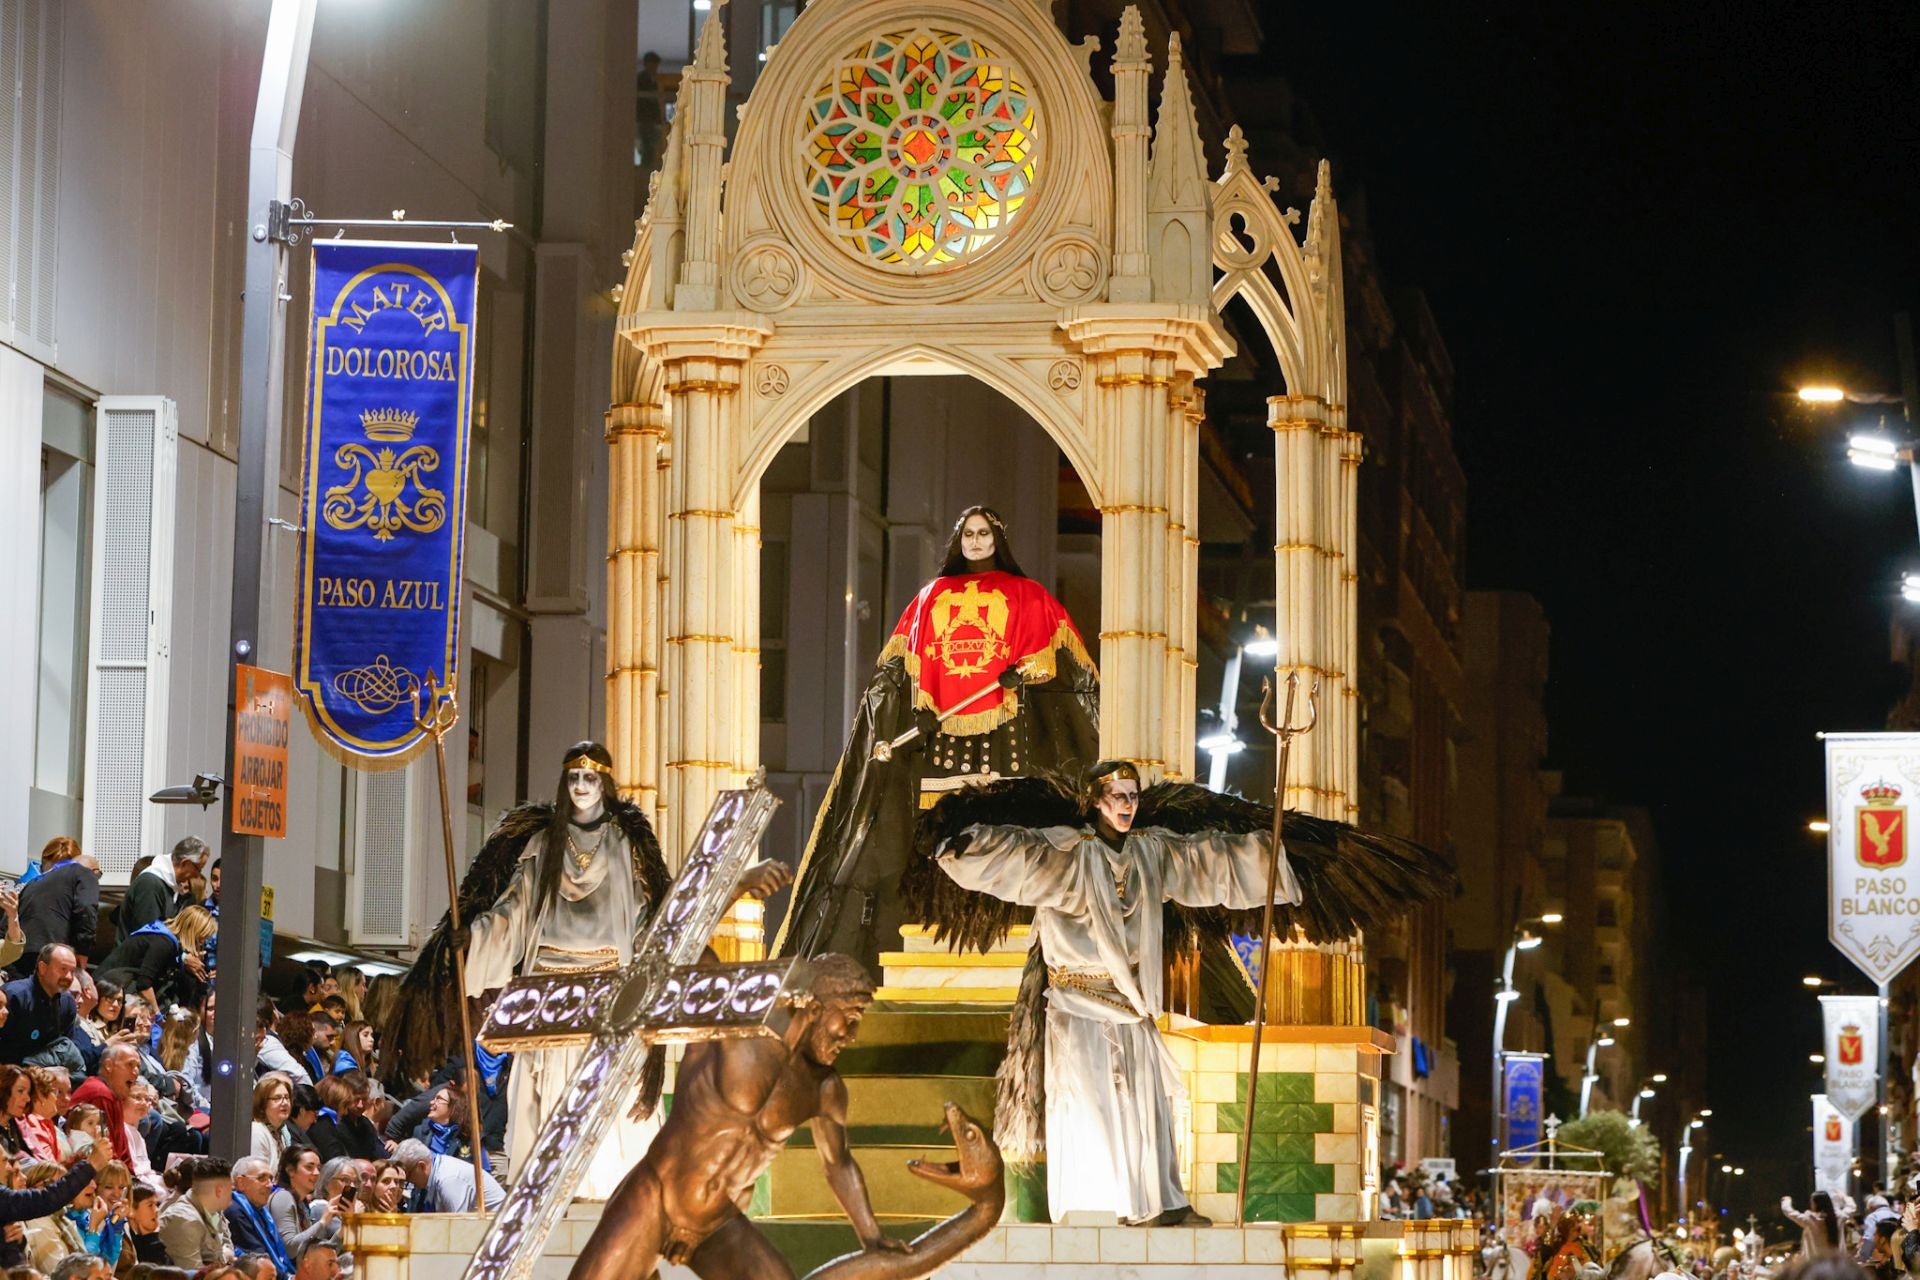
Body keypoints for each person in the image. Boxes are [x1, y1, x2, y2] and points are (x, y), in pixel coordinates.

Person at [387, 741, 786, 1198]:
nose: (581, 786)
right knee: (548, 1104)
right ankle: (551, 1193)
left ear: (606, 784)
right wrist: (472, 938)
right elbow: (514, 915)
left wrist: (731, 888)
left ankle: (609, 1198)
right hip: (549, 993)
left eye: (590, 777)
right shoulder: (543, 843)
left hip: (609, 991)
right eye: (574, 777)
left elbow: (655, 918)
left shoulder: (626, 843)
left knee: (606, 1111)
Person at [932, 759, 1310, 1227]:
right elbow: (1018, 857)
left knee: (1148, 1112)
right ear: (1095, 803)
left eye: (1132, 796)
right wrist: (970, 848)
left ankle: (1160, 1204)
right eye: (1117, 797)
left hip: (1132, 1007)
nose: (1127, 805)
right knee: (1094, 1110)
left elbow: (1207, 859)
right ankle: (1105, 1209)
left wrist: (1268, 852)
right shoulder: (1067, 854)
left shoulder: (1151, 854)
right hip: (1079, 1007)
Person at [778, 506, 1099, 970]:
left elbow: (1052, 662)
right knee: (942, 833)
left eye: (983, 533)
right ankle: (940, 924)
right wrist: (915, 712)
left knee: (1006, 826)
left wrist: (1022, 674)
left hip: (1006, 735)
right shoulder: (930, 598)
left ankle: (1003, 922)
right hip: (942, 739)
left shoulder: (1028, 596)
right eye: (968, 533)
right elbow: (898, 671)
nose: (974, 541)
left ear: (997, 539)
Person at [566, 954, 1003, 1280]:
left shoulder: (825, 1089)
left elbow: (838, 1164)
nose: (850, 1037)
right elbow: (692, 952)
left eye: (858, 1023)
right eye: (847, 1020)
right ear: (815, 1007)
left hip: (717, 1221)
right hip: (656, 1198)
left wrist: (870, 1234)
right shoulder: (740, 1033)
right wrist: (737, 887)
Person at [0, 1141, 108, 1270]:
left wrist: (16, 1242)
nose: (9, 1168)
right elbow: (45, 1198)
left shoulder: (64, 1219)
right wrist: (90, 1166)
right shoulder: (39, 1221)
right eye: (3, 1161)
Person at [96, 909, 216, 1013]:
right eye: (202, 938)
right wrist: (157, 1015)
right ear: (193, 932)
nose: (202, 943)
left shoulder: (162, 936)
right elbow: (144, 983)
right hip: (106, 990)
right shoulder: (164, 943)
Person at [12, 845, 96, 981]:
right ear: (95, 871)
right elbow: (86, 909)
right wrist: (82, 952)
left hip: (18, 955)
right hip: (53, 953)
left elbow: (7, 922)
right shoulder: (84, 872)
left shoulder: (32, 883)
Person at [0, 948, 81, 1073]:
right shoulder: (14, 995)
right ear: (42, 968)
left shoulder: (68, 1002)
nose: (69, 977)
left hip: (48, 1076)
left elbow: (68, 1046)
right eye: (63, 969)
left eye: (72, 971)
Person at [120, 841, 208, 939]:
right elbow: (148, 939)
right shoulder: (149, 884)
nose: (197, 875)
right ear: (185, 863)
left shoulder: (171, 887)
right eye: (198, 869)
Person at [68, 1046, 139, 1165]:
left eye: (138, 1066)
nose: (136, 1072)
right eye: (130, 1065)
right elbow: (108, 1152)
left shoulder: (113, 1095)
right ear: (109, 1065)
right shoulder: (100, 1093)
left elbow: (123, 1151)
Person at [389, 1140, 502, 1214]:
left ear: (421, 1166)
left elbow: (456, 1227)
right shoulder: (439, 1171)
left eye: (408, 1175)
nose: (410, 1181)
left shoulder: (448, 1180)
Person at [222, 1159, 290, 1279]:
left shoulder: (261, 1210)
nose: (269, 1185)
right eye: (261, 1178)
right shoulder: (234, 1211)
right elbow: (257, 1255)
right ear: (241, 1182)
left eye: (271, 1179)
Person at [266, 1148, 335, 1258]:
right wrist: (323, 1221)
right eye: (309, 1167)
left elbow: (315, 1251)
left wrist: (343, 1230)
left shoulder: (302, 1203)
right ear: (290, 1171)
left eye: (318, 1168)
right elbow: (290, 1249)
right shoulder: (283, 1197)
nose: (317, 1173)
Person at [305, 1077, 379, 1165]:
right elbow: (335, 1161)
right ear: (335, 1103)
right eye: (344, 1105)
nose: (344, 1112)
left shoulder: (365, 1124)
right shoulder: (322, 1126)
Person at [252, 1005, 310, 1088]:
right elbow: (299, 1075)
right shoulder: (268, 1045)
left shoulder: (265, 1043)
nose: (261, 1044)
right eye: (258, 1039)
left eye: (263, 1038)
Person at [251, 1078, 295, 1170]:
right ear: (262, 1104)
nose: (285, 1103)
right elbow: (258, 1175)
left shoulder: (280, 1133)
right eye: (277, 1098)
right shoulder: (257, 1132)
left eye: (287, 1098)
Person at [17, 1072, 60, 1165]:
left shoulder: (46, 1122)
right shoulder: (33, 1125)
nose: (56, 1098)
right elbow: (49, 1169)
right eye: (54, 1092)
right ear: (41, 1098)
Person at [1784, 1192, 1844, 1258]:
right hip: (1835, 1262)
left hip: (1816, 1262)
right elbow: (1852, 1208)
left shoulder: (1810, 1220)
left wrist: (1786, 1201)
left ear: (1815, 1204)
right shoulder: (1838, 1217)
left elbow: (1789, 1212)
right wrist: (1844, 1197)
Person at [125, 1186, 165, 1265]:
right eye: (150, 1205)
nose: (157, 1210)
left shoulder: (149, 1238)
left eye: (156, 1204)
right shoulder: (125, 1244)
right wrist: (151, 1239)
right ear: (131, 1210)